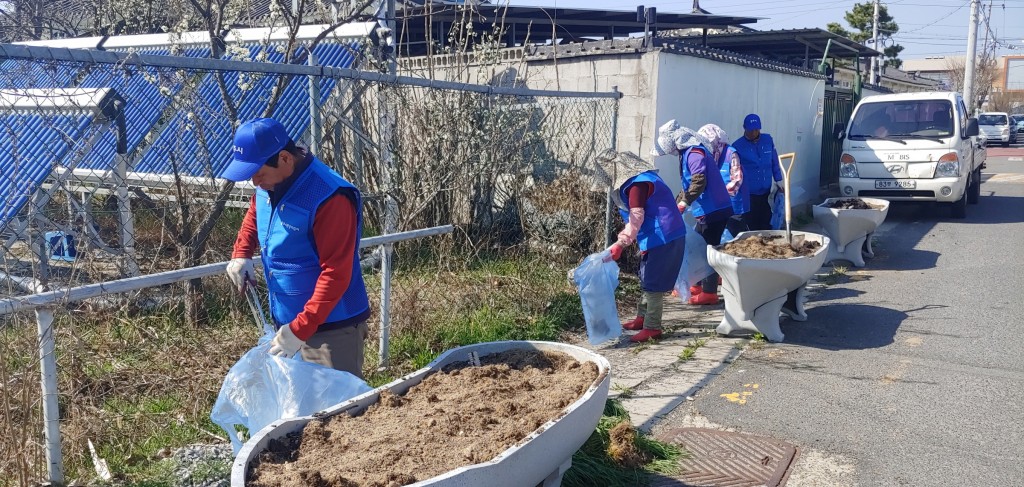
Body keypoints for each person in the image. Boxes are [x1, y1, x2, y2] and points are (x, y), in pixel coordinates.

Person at [220, 117, 371, 378]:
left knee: (337, 412)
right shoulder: (271, 184)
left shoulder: (329, 197)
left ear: (285, 159)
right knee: (300, 412)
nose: (255, 183)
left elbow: (336, 273)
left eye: (259, 174)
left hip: (330, 330)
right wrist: (242, 252)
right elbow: (257, 211)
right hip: (290, 325)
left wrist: (300, 329)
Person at [595, 150, 686, 343]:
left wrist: (621, 243)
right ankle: (641, 318)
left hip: (663, 236)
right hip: (661, 235)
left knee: (653, 283)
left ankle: (652, 327)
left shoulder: (637, 185)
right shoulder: (643, 179)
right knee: (646, 276)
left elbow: (636, 218)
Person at [654, 120, 734, 306]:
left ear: (675, 142)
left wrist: (683, 204)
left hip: (715, 209)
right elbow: (687, 185)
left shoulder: (694, 153)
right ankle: (696, 285)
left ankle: (709, 292)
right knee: (699, 246)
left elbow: (699, 181)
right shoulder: (687, 153)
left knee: (708, 249)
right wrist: (675, 204)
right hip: (707, 209)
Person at [732, 114, 783, 231]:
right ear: (744, 128)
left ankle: (768, 244)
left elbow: (774, 161)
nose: (754, 133)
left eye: (756, 129)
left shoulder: (768, 140)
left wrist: (778, 179)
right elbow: (735, 170)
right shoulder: (737, 146)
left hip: (766, 191)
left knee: (767, 221)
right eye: (750, 130)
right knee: (752, 224)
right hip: (749, 193)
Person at [698, 123, 748, 242]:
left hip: (733, 204)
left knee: (738, 239)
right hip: (717, 206)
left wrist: (718, 194)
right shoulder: (708, 155)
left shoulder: (731, 154)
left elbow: (736, 181)